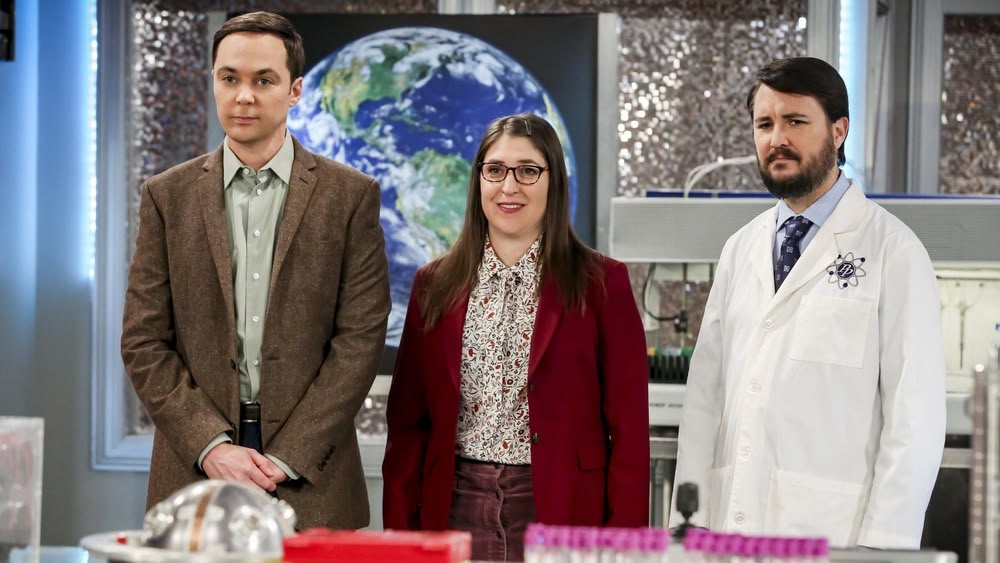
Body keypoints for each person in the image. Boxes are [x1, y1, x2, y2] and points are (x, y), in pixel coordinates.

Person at [120, 11, 390, 530]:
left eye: (263, 80)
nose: (243, 96)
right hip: (194, 473)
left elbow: (359, 342)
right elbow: (143, 340)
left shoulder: (351, 197)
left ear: (294, 90)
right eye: (230, 78)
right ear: (214, 82)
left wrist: (287, 457)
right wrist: (212, 446)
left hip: (312, 477)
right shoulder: (166, 197)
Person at [670, 57, 945, 549]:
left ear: (839, 131)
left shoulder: (894, 251)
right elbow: (704, 399)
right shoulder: (740, 249)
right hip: (732, 526)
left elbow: (915, 415)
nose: (777, 138)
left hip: (837, 536)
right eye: (764, 124)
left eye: (796, 121)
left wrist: (884, 546)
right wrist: (690, 523)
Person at [382, 113, 650, 561]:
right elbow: (408, 427)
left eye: (528, 171)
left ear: (554, 180)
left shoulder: (602, 283)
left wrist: (625, 548)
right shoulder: (435, 284)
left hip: (563, 507)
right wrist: (401, 540)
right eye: (495, 170)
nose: (509, 187)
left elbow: (629, 433)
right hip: (455, 506)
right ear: (479, 180)